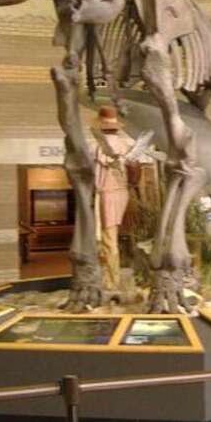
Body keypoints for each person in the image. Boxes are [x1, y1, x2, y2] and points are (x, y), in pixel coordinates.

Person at [93, 105, 136, 293]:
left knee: (108, 238)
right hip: (121, 192)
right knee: (110, 237)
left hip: (108, 193)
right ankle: (112, 278)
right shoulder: (127, 144)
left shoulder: (101, 145)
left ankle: (112, 281)